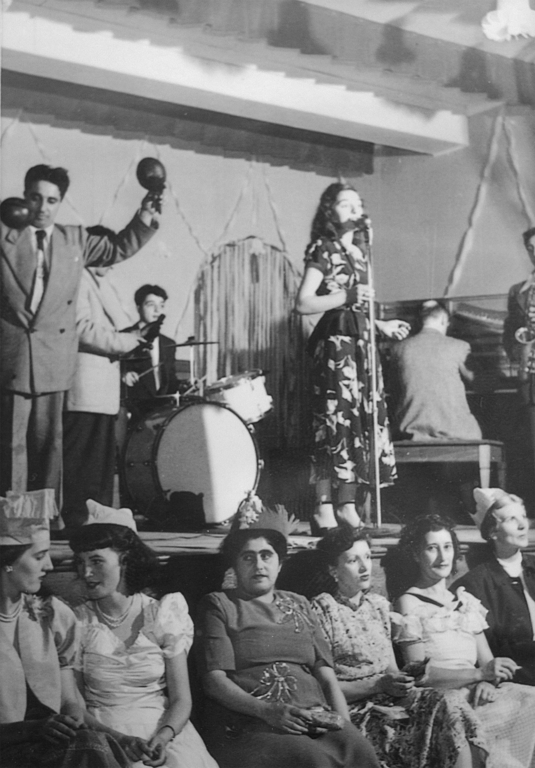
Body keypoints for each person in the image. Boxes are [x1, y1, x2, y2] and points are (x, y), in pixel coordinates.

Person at [0, 164, 160, 505]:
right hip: (10, 360)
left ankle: (39, 530)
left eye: (52, 200)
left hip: (53, 363)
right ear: (24, 196)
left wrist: (144, 216)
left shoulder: (73, 239)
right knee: (10, 449)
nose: (43, 207)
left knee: (47, 451)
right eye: (35, 197)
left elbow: (118, 247)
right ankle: (12, 532)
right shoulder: (4, 234)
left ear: (60, 203)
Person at [195, 509, 381, 768]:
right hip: (251, 723)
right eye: (248, 558)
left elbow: (326, 676)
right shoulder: (219, 605)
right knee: (311, 759)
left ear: (279, 563)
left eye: (266, 556)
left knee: (360, 751)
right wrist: (267, 711)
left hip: (313, 717)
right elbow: (214, 681)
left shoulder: (300, 603)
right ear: (235, 565)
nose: (258, 565)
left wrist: (344, 725)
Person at [311, 524, 498, 768]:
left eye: (367, 557)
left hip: (391, 702)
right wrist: (378, 685)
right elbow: (324, 685)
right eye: (353, 560)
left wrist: (404, 679)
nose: (365, 566)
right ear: (333, 570)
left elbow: (391, 670)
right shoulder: (322, 609)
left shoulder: (378, 605)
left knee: (449, 701)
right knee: (443, 709)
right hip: (355, 711)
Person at [295, 182, 409, 532]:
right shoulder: (322, 249)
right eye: (345, 204)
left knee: (358, 423)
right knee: (335, 422)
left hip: (361, 347)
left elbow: (356, 306)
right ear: (329, 211)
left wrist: (381, 325)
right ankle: (323, 506)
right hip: (336, 348)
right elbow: (304, 303)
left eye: (357, 204)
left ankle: (347, 503)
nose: (353, 209)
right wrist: (346, 295)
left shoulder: (360, 255)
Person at [69, 499, 218, 768]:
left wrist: (163, 736)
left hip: (164, 729)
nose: (86, 572)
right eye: (80, 562)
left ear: (125, 561)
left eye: (97, 561)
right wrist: (120, 740)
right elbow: (75, 705)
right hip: (103, 732)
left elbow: (182, 699)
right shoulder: (75, 622)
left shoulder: (163, 613)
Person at [388, 513, 535, 768]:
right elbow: (420, 674)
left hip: (473, 692)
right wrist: (479, 675)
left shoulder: (464, 602)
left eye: (447, 547)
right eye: (432, 548)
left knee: (530, 699)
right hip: (439, 698)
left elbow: (487, 661)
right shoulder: (409, 603)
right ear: (415, 554)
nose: (443, 557)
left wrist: (489, 680)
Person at [0, 489, 129, 768]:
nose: (49, 565)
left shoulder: (53, 615)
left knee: (97, 745)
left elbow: (70, 701)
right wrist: (33, 730)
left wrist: (77, 725)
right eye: (39, 556)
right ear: (7, 561)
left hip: (46, 750)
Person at [63, 268, 150, 524]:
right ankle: (76, 521)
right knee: (81, 462)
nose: (112, 265)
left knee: (99, 464)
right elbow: (81, 329)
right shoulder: (78, 278)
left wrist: (135, 336)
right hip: (84, 387)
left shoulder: (102, 283)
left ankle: (94, 521)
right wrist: (128, 341)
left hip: (101, 390)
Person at [452, 487, 535, 686]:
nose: (523, 525)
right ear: (492, 532)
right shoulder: (476, 584)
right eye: (511, 519)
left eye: (523, 516)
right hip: (518, 678)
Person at [389, 300, 482, 441]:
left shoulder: (398, 349)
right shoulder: (460, 347)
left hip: (411, 433)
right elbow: (482, 384)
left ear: (419, 321)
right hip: (456, 433)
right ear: (444, 320)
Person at [503, 226, 535, 492]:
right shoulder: (519, 291)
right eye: (531, 249)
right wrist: (517, 346)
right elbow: (509, 331)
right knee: (532, 441)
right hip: (530, 374)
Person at [122, 284, 179, 421]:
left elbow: (170, 380)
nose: (157, 310)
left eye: (161, 305)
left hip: (162, 411)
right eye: (150, 305)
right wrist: (123, 375)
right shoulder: (123, 337)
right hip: (133, 410)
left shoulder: (168, 343)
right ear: (138, 308)